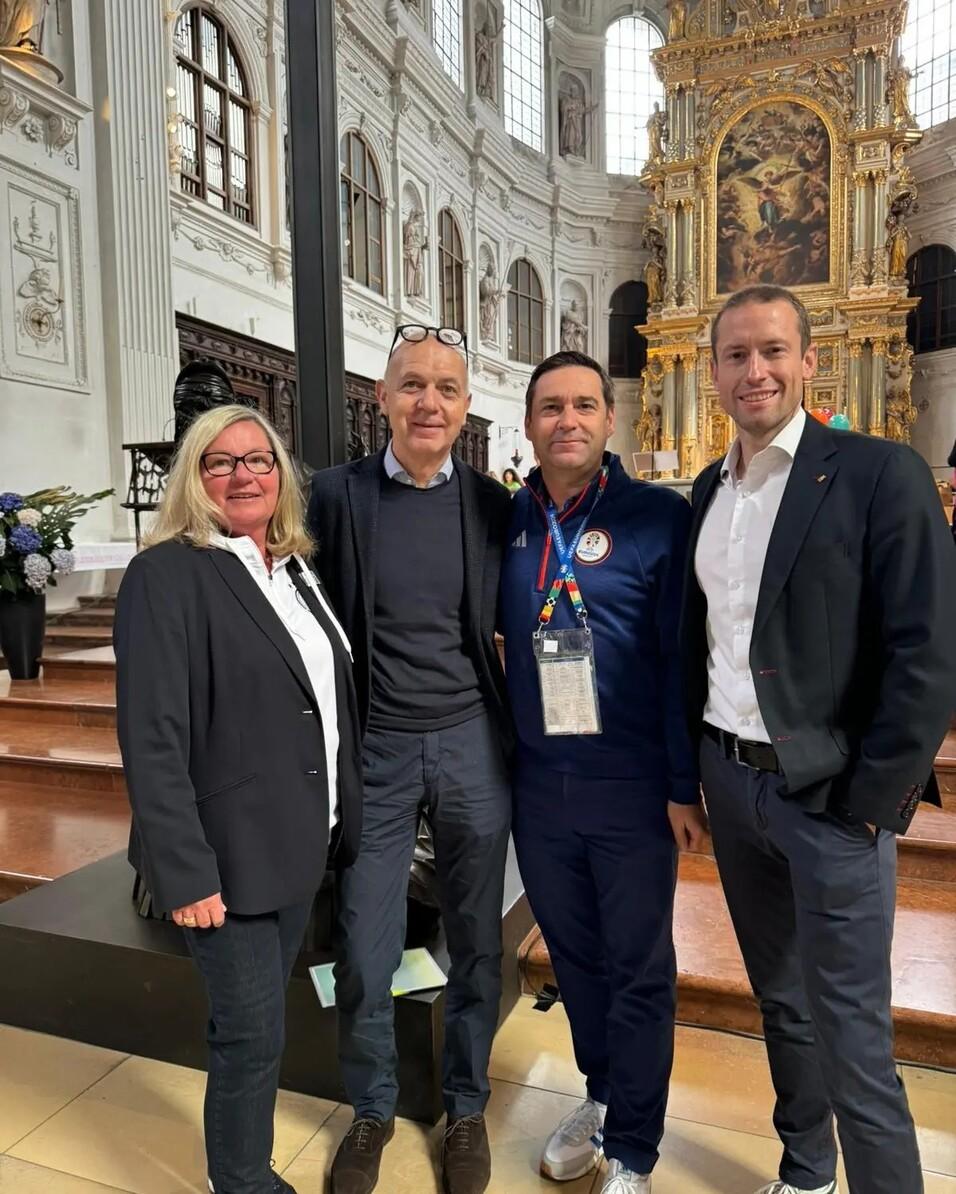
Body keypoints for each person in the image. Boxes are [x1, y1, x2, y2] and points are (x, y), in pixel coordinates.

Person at [681, 284, 956, 1194]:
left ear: (809, 361)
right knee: (782, 1003)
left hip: (830, 798)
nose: (754, 371)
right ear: (713, 370)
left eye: (772, 351)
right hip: (732, 783)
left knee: (853, 1034)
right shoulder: (706, 490)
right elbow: (707, 642)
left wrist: (872, 803)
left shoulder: (880, 473)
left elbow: (928, 652)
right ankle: (805, 1172)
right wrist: (696, 774)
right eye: (735, 355)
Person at [114, 405, 362, 1194]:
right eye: (219, 462)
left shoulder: (291, 568)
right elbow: (152, 738)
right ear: (194, 478)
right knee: (249, 1035)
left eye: (259, 460)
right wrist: (185, 872)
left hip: (297, 842)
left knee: (261, 1025)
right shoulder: (167, 573)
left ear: (281, 475)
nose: (243, 475)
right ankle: (244, 1182)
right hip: (228, 856)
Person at [308, 324, 514, 1194]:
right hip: (378, 746)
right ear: (383, 397)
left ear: (466, 406)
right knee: (364, 944)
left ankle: (465, 1107)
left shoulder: (493, 506)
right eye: (413, 385)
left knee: (476, 940)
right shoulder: (333, 496)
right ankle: (371, 1108)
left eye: (446, 387)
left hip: (471, 741)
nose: (430, 401)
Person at [499, 351, 705, 1194]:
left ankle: (635, 1149)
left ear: (610, 419)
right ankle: (602, 1093)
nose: (568, 421)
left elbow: (682, 658)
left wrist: (682, 784)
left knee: (638, 967)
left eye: (584, 405)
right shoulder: (509, 518)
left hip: (630, 784)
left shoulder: (656, 516)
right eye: (551, 407)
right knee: (576, 959)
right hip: (540, 785)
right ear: (528, 423)